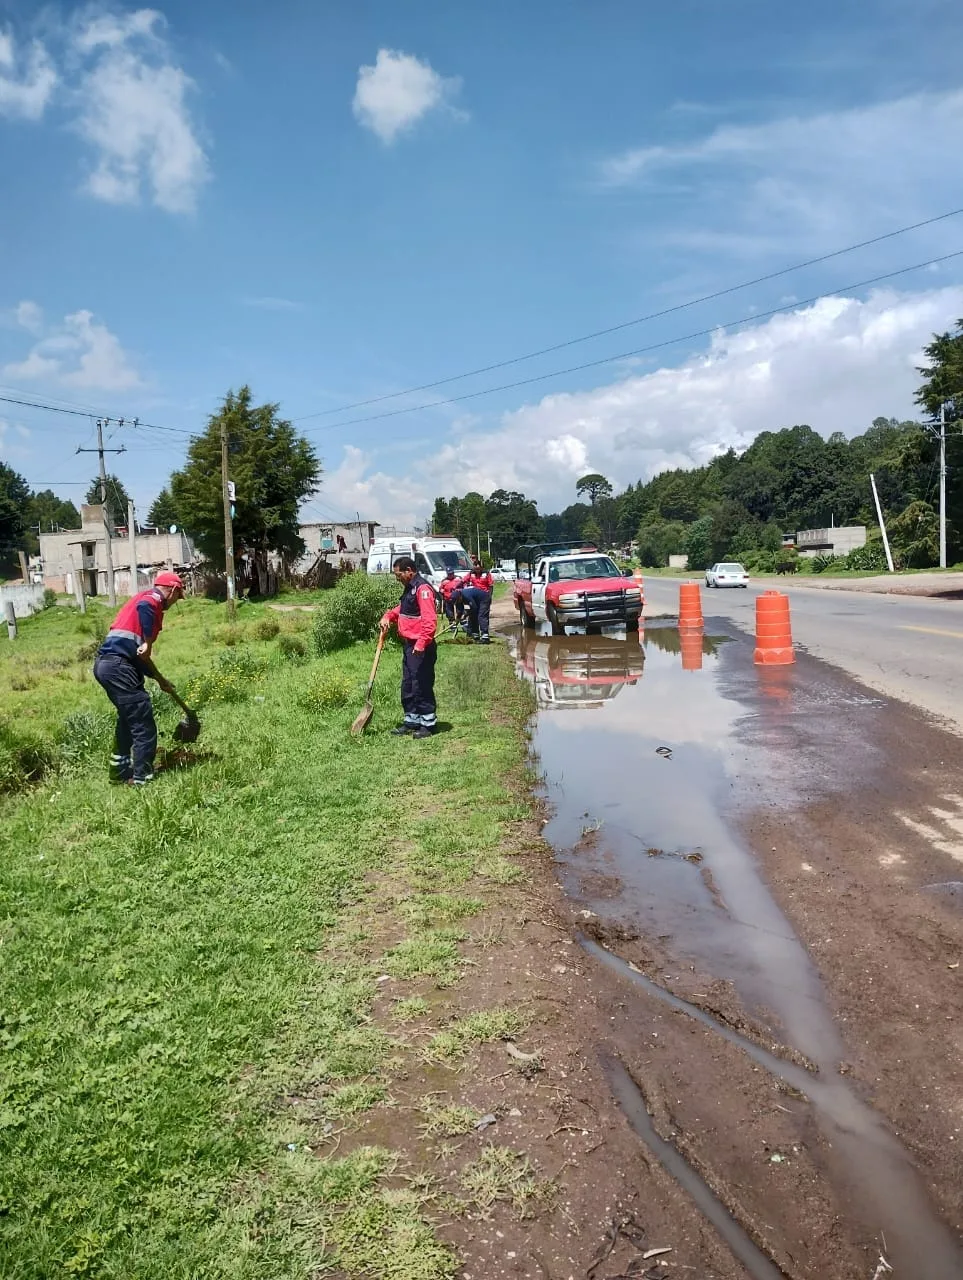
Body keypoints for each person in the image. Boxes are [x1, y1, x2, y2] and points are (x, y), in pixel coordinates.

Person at [92, 571, 185, 785]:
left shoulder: (137, 601)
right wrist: (149, 642)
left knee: (128, 719)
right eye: (178, 597)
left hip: (107, 665)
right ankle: (143, 778)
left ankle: (119, 773)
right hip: (118, 666)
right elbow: (145, 612)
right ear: (172, 590)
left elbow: (138, 657)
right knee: (143, 723)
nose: (175, 602)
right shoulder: (151, 600)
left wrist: (159, 679)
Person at [380, 556, 438, 738]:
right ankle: (412, 720)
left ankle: (428, 724)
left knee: (421, 684)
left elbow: (430, 621)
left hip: (420, 647)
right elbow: (403, 608)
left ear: (409, 571)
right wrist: (388, 616)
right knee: (408, 685)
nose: (397, 578)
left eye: (399, 574)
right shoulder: (409, 588)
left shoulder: (422, 589)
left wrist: (421, 644)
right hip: (409, 645)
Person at [460, 557, 494, 643]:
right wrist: (456, 587)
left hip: (484, 597)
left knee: (482, 616)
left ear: (481, 568)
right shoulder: (471, 573)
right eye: (476, 569)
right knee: (473, 614)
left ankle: (485, 636)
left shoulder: (486, 574)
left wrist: (490, 596)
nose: (477, 570)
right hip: (474, 598)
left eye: (479, 569)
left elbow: (490, 586)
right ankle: (475, 634)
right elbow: (463, 581)